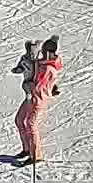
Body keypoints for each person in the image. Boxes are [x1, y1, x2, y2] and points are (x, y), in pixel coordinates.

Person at [14, 36, 63, 164]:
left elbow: (39, 86)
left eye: (44, 51)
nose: (42, 54)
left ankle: (36, 155)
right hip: (30, 97)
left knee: (30, 124)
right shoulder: (43, 64)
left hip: (37, 100)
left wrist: (28, 85)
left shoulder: (48, 69)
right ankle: (27, 149)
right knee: (19, 119)